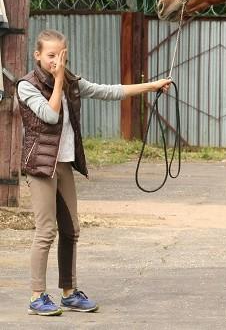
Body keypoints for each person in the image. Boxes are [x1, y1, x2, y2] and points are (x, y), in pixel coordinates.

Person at [16, 29, 171, 316]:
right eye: (51, 56)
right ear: (37, 55)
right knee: (46, 230)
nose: (56, 61)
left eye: (61, 56)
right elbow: (50, 115)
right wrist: (60, 79)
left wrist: (152, 86)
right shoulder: (27, 86)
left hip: (63, 163)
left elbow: (109, 91)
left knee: (71, 229)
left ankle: (69, 293)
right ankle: (37, 296)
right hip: (40, 165)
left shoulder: (72, 82)